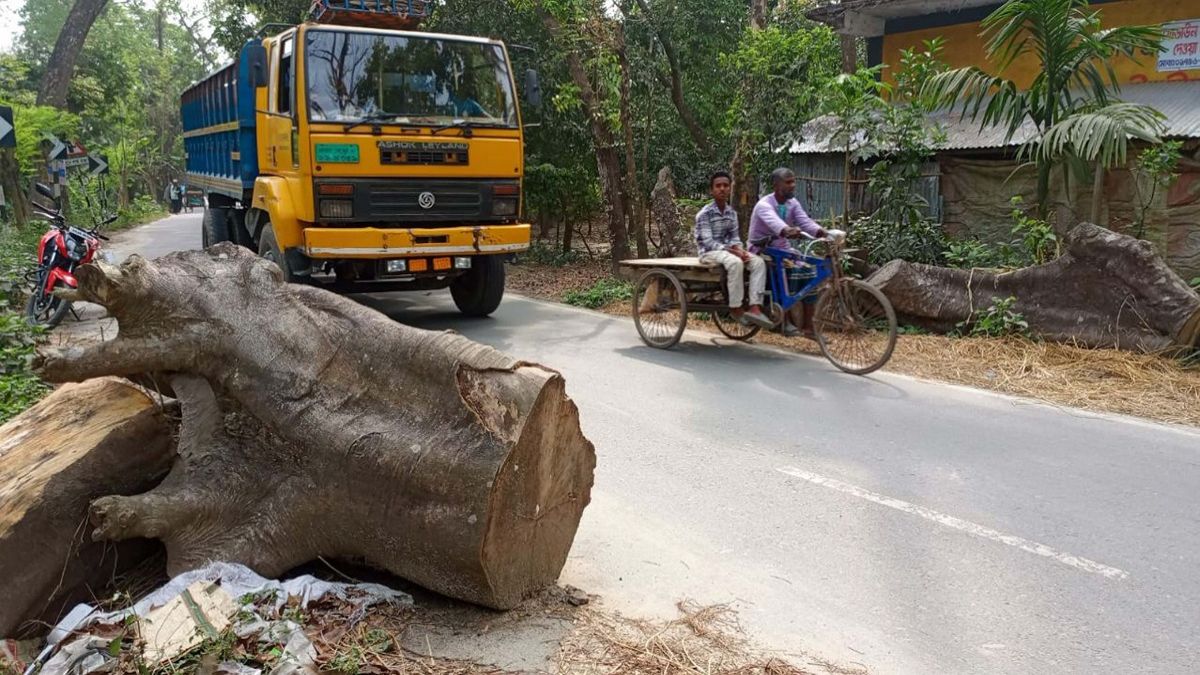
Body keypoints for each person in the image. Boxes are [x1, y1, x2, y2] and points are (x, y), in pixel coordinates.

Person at [748, 167, 844, 338]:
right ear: (777, 185)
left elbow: (805, 221)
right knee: (788, 271)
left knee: (809, 271)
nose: (793, 185)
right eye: (788, 182)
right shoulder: (764, 205)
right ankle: (782, 320)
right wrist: (786, 230)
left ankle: (808, 326)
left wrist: (822, 232)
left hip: (783, 250)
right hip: (762, 249)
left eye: (794, 181)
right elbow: (774, 222)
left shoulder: (792, 203)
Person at [695, 171, 773, 329]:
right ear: (712, 190)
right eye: (718, 186)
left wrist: (741, 250)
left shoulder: (731, 213)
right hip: (708, 253)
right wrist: (733, 252)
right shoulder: (705, 214)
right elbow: (709, 242)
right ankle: (735, 307)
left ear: (730, 189)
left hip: (728, 252)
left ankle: (754, 306)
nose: (722, 189)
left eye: (725, 186)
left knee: (758, 262)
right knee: (735, 262)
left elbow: (735, 238)